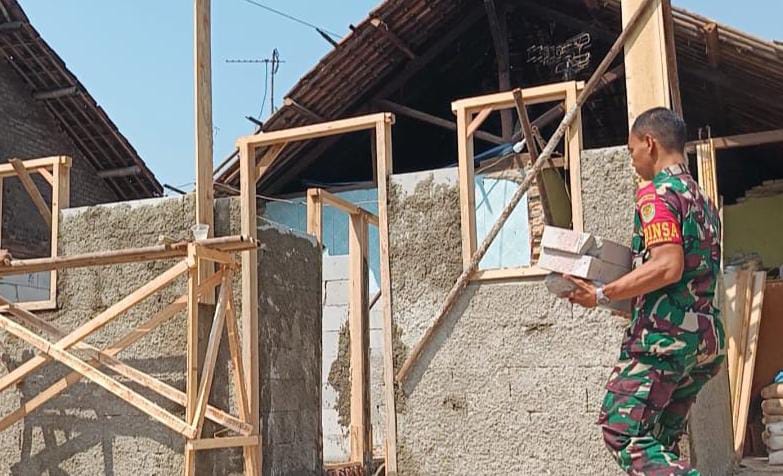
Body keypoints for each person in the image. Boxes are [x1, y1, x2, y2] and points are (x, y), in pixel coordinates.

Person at [564, 107, 724, 475]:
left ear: (649, 144)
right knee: (660, 440)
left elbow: (668, 266)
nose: (632, 160)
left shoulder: (657, 194)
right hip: (703, 342)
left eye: (631, 150)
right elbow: (691, 276)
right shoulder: (703, 202)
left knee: (623, 432)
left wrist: (601, 294)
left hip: (663, 342)